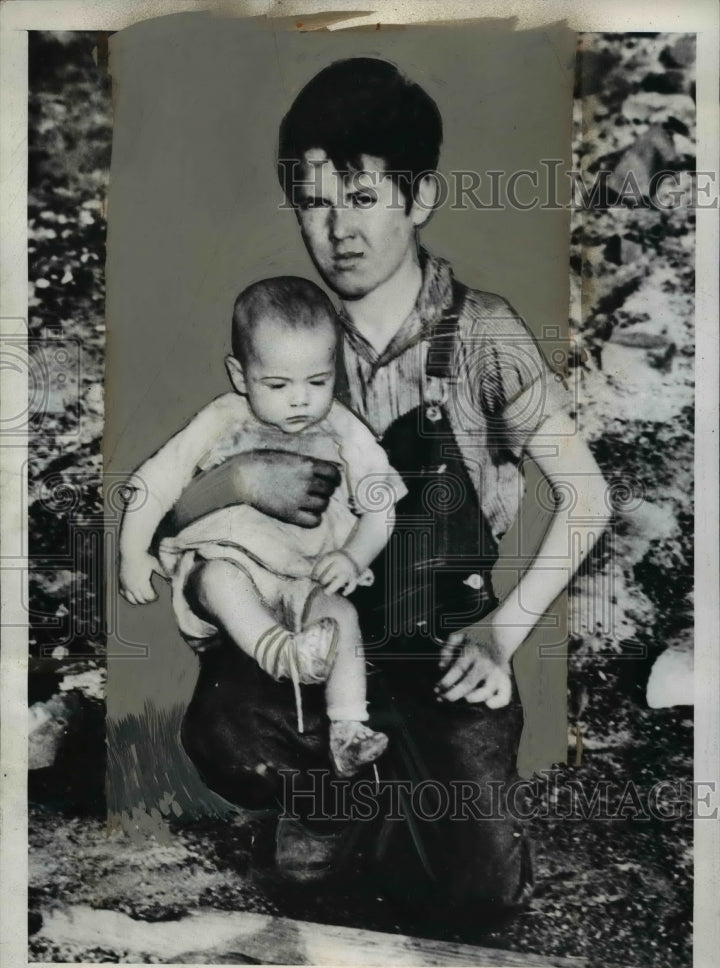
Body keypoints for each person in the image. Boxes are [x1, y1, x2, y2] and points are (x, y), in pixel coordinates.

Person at [163, 58, 610, 924]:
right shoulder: (286, 333)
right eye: (314, 200)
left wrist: (500, 636)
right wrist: (237, 481)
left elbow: (586, 496)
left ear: (419, 198)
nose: (337, 229)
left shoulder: (485, 335)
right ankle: (340, 795)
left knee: (476, 897)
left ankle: (395, 800)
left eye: (362, 197)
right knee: (225, 731)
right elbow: (177, 513)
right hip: (324, 639)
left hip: (441, 647)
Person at [118, 276, 407, 777]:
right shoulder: (223, 418)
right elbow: (155, 481)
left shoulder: (341, 426)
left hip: (304, 576)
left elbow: (382, 502)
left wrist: (354, 554)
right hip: (231, 564)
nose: (300, 400)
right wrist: (131, 553)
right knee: (220, 580)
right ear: (240, 373)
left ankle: (348, 730)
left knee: (341, 615)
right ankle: (279, 654)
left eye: (318, 382)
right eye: (277, 384)